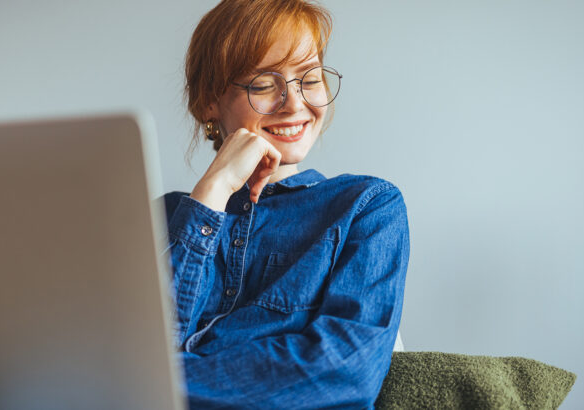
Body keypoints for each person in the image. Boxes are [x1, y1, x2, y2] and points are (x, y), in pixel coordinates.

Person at [161, 0, 410, 408]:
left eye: (309, 79)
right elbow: (137, 350)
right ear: (209, 101)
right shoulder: (163, 217)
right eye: (263, 84)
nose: (294, 103)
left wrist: (146, 386)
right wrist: (215, 187)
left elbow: (345, 372)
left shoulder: (366, 207)